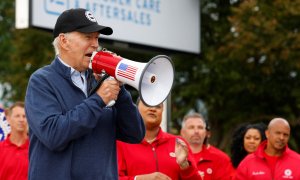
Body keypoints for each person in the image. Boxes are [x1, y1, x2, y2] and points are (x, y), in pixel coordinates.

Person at [25, 8, 145, 180]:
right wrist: (98, 100)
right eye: (87, 37)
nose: (95, 44)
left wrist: (119, 87)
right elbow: (53, 135)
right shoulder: (41, 81)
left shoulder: (100, 81)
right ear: (64, 41)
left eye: (97, 37)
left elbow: (135, 134)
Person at [117, 98, 201, 180]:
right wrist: (140, 179)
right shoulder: (122, 143)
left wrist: (184, 166)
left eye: (157, 106)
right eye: (147, 104)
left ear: (162, 111)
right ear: (136, 109)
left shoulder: (178, 143)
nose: (153, 109)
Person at [235, 118, 300, 179]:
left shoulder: (297, 161)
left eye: (285, 135)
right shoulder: (248, 162)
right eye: (277, 133)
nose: (281, 138)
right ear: (267, 133)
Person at [180, 112, 234, 180]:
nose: (196, 131)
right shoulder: (172, 156)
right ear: (182, 132)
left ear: (205, 133)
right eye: (191, 127)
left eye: (200, 127)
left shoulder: (221, 158)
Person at [0, 101, 29, 180]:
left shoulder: (35, 150)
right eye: (17, 116)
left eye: (24, 116)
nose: (21, 119)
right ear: (8, 119)